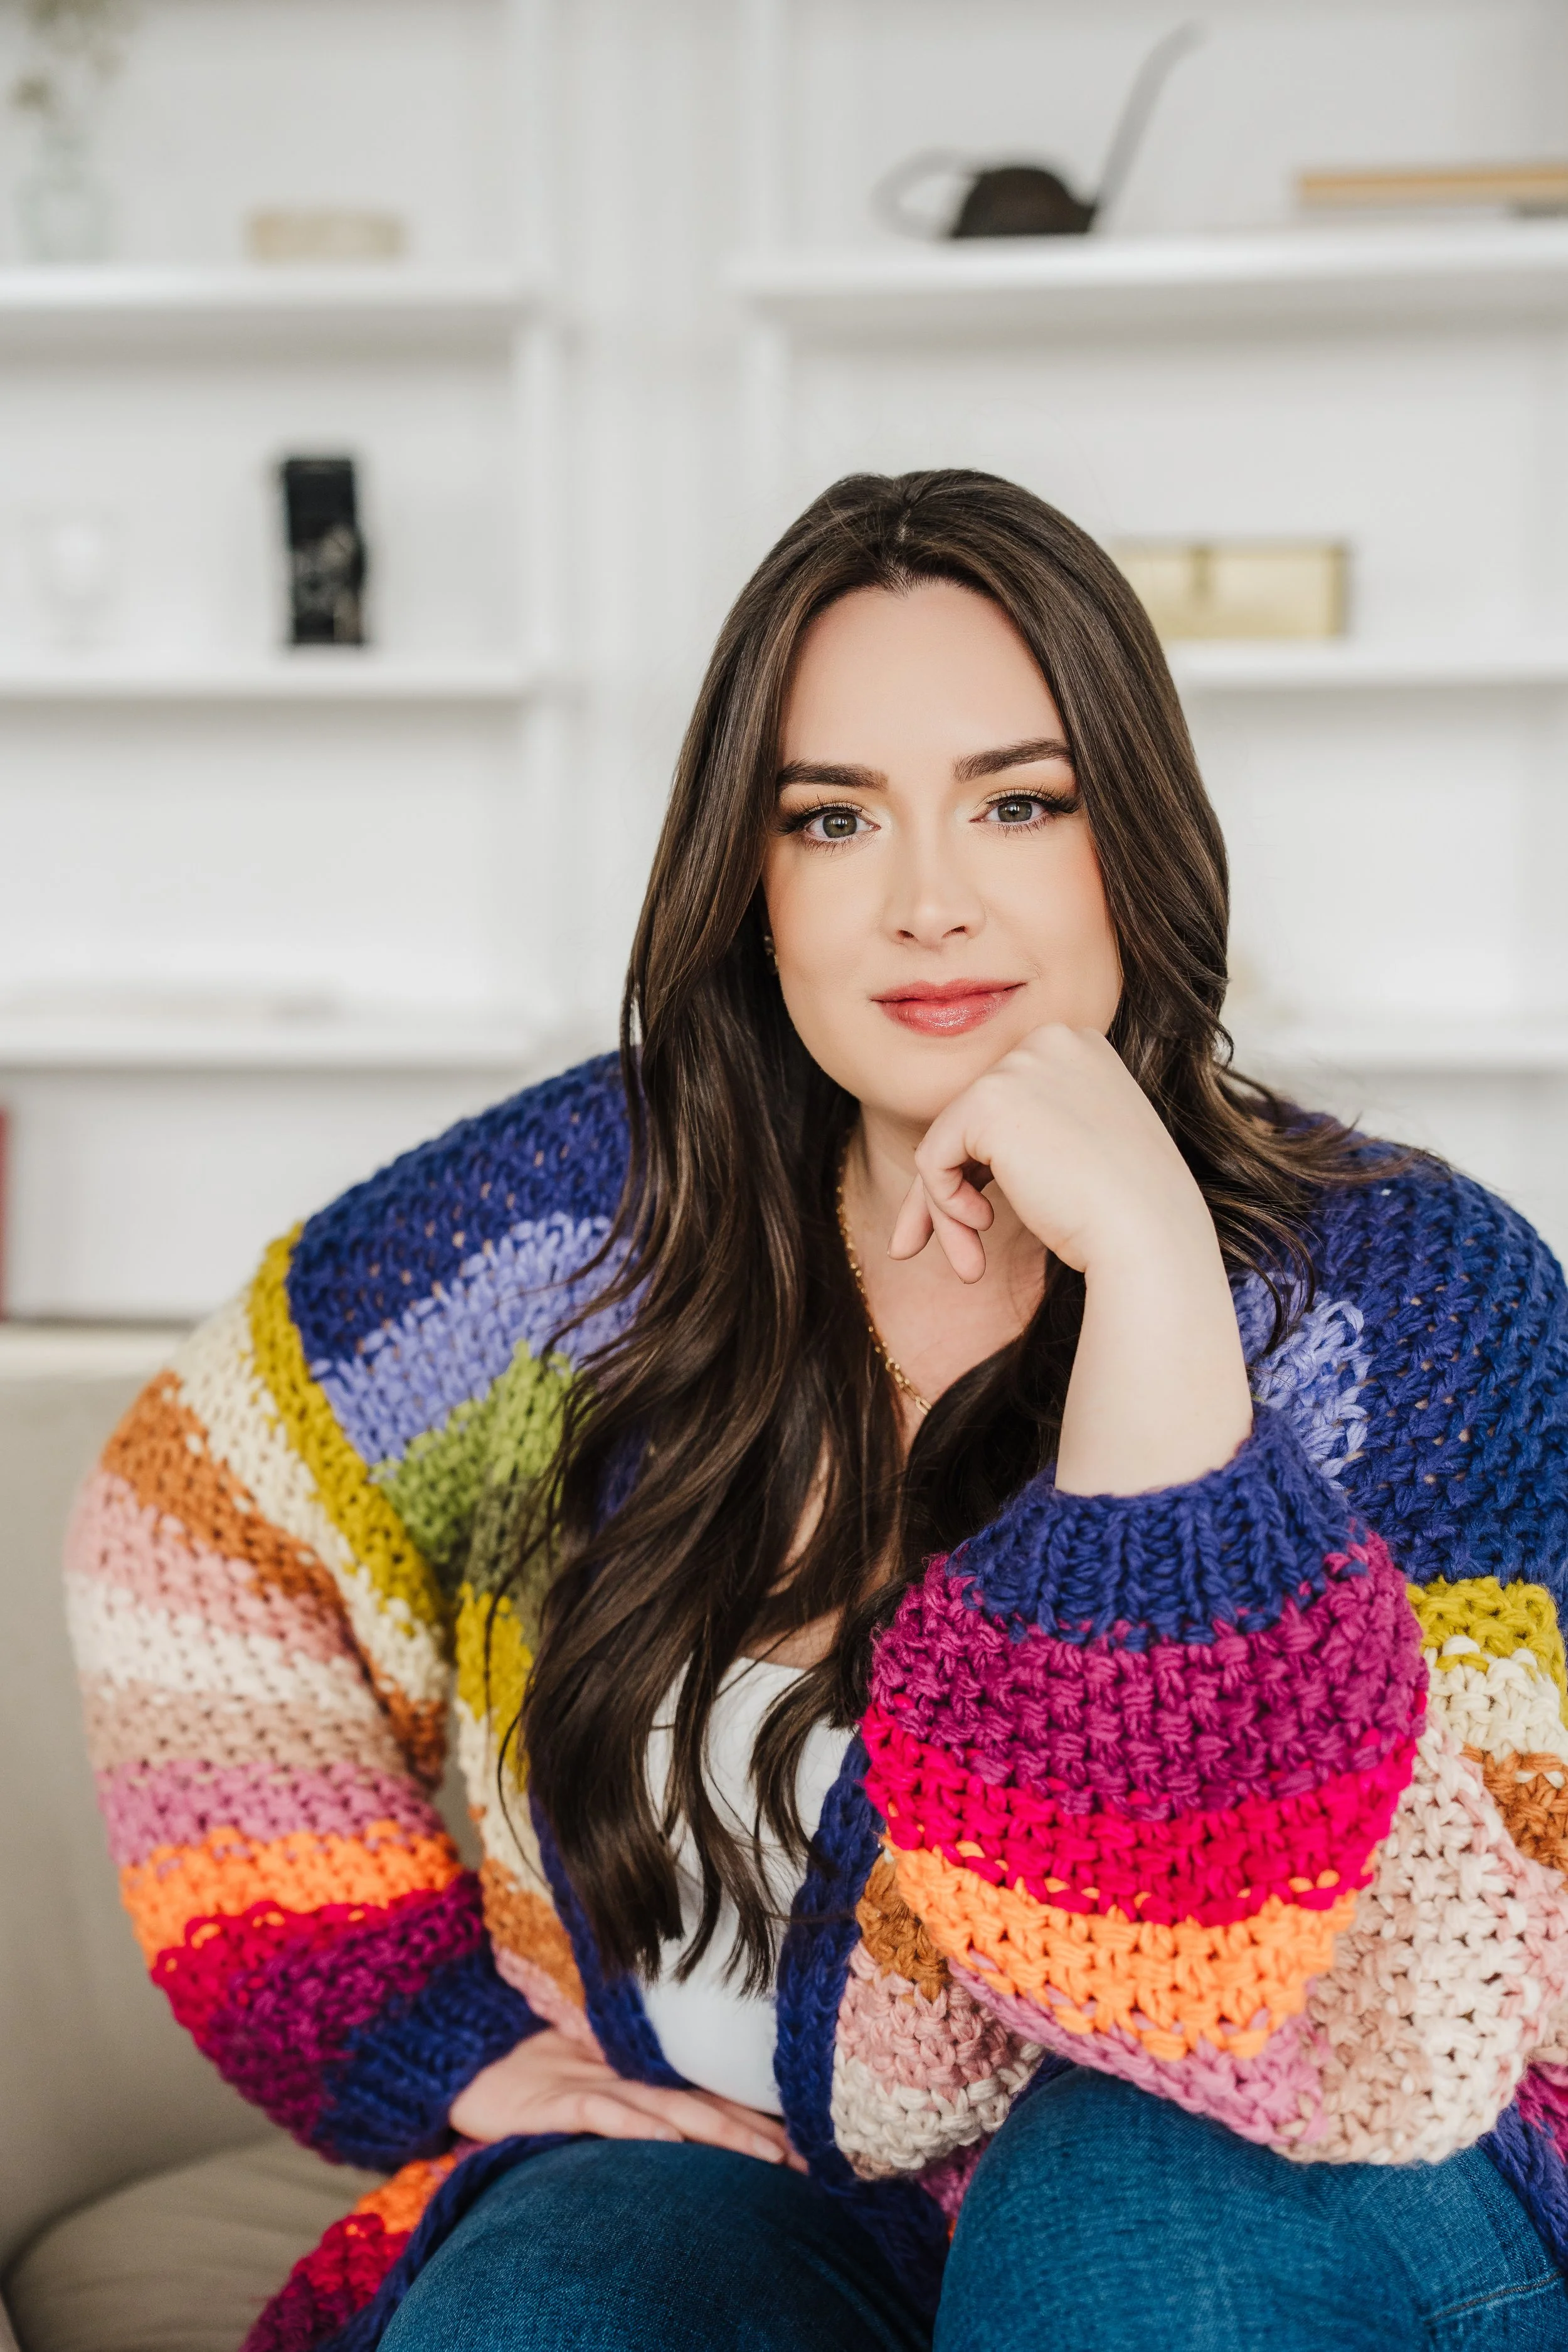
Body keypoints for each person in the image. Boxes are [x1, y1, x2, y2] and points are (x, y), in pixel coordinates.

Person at [67, 471, 1568, 2352]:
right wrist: (426, 2036)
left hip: (1300, 2190)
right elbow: (198, 1517)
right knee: (556, 2291)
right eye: (833, 818)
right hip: (761, 2205)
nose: (928, 899)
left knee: (1116, 2213)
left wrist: (1161, 1307)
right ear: (750, 879)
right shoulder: (586, 1221)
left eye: (1020, 802)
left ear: (1141, 841)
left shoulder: (1403, 1298)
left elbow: (1196, 1987)